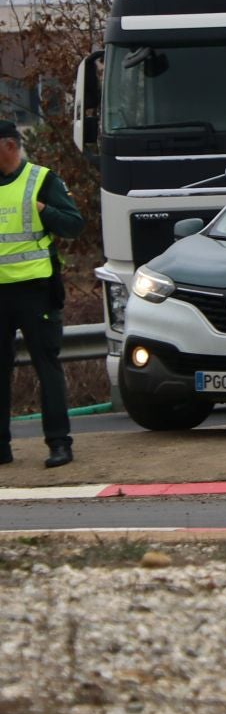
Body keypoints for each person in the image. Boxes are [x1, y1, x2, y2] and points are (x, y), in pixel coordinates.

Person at [0, 119, 85, 468]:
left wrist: (44, 211)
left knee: (46, 367)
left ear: (8, 146)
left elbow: (74, 224)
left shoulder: (41, 180)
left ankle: (59, 444)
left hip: (36, 291)